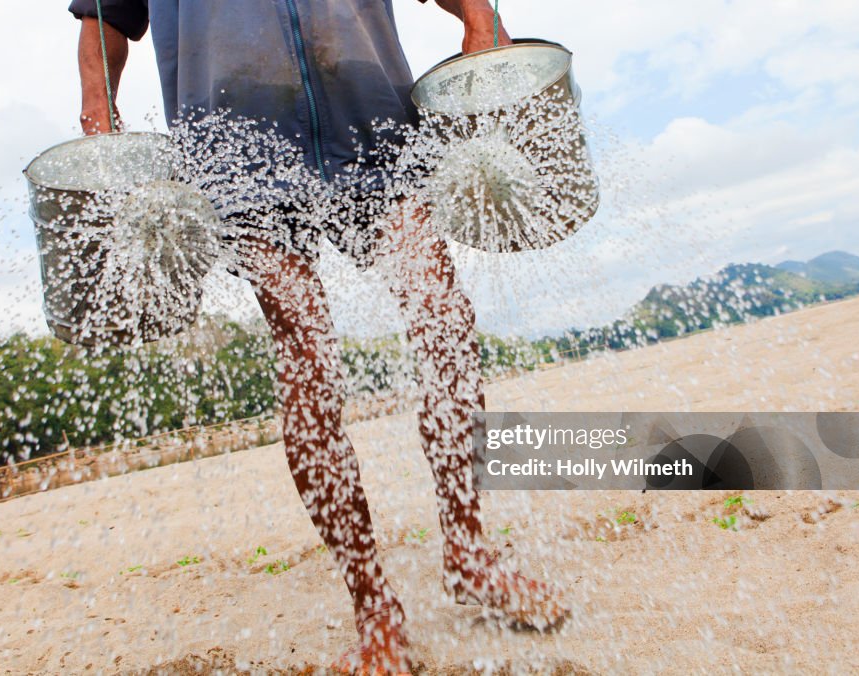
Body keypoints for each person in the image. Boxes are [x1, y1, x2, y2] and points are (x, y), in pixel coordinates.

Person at [70, 1, 568, 671]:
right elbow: (105, 18)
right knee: (305, 345)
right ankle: (374, 608)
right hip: (230, 135)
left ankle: (471, 555)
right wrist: (99, 125)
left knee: (441, 315)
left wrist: (480, 19)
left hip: (369, 105)